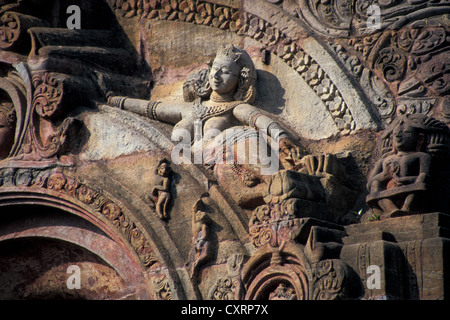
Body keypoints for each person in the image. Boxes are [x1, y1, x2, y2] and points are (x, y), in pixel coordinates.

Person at [107, 44, 302, 171]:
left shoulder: (235, 108)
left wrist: (282, 137)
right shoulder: (190, 108)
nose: (216, 76)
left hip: (213, 162)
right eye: (215, 69)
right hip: (180, 166)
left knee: (241, 133)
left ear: (240, 78)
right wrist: (116, 101)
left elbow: (259, 120)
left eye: (225, 72)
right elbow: (152, 108)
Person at [366, 114, 435, 217]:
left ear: (419, 138)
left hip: (410, 190)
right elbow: (369, 185)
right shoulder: (384, 160)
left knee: (422, 178)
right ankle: (390, 209)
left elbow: (427, 177)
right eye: (395, 134)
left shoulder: (421, 156)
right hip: (388, 193)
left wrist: (407, 180)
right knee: (375, 183)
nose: (398, 135)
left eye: (406, 132)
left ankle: (407, 208)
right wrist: (383, 176)